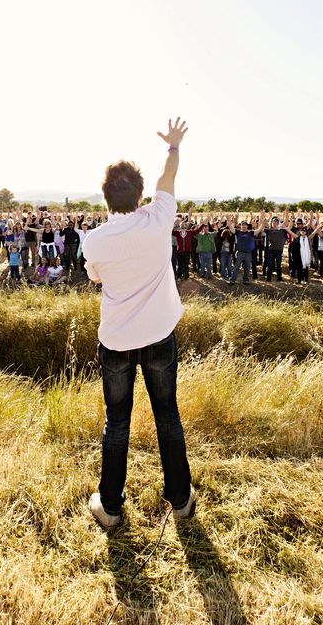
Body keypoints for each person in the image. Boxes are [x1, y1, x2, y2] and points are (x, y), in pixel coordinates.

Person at [82, 117, 196, 530]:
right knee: (167, 415)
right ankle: (180, 501)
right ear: (141, 194)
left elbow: (95, 278)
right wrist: (173, 146)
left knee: (117, 421)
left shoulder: (95, 240)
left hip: (116, 341)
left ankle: (110, 507)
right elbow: (169, 176)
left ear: (105, 199)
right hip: (160, 336)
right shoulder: (159, 217)